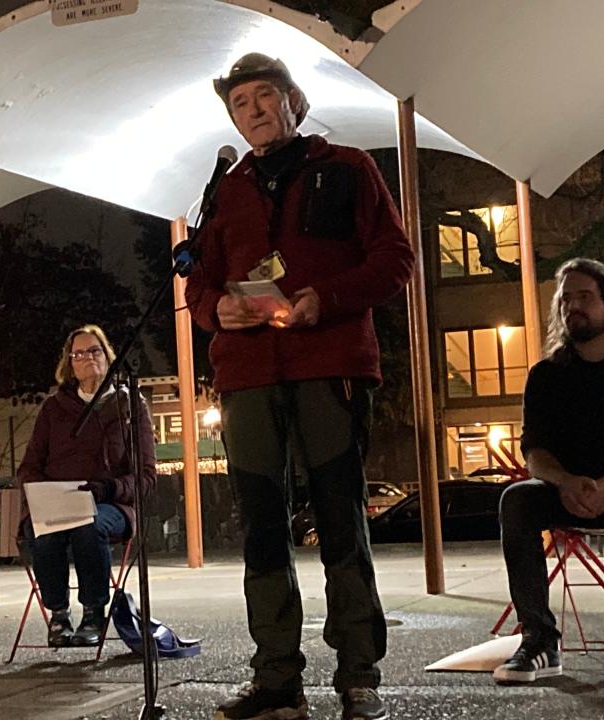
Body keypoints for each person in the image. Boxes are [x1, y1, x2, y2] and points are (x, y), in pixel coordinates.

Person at [185, 54, 414, 720]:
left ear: (296, 101)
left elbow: (395, 258)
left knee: (340, 519)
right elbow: (199, 278)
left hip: (331, 366)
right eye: (239, 104)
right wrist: (212, 310)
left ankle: (358, 675)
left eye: (264, 96)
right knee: (261, 529)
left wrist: (327, 298)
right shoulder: (224, 189)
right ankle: (277, 679)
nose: (252, 110)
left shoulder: (347, 167)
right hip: (248, 376)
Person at [493, 258, 604, 684]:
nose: (573, 307)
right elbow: (535, 452)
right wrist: (566, 482)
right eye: (565, 299)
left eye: (585, 297)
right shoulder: (547, 376)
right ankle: (539, 641)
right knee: (516, 499)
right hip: (565, 490)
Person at [17, 324, 156, 647]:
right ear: (70, 364)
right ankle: (59, 614)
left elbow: (146, 476)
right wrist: (43, 495)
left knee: (86, 527)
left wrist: (108, 489)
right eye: (78, 353)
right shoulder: (54, 408)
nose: (87, 358)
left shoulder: (129, 406)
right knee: (43, 531)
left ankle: (94, 612)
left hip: (109, 503)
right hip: (58, 502)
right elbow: (29, 466)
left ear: (107, 357)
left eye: (94, 350)